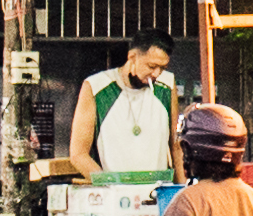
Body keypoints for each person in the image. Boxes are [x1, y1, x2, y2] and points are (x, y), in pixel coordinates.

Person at [74, 38, 179, 181]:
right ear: (132, 57)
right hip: (113, 193)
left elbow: (176, 146)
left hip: (158, 191)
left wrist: (182, 189)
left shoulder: (166, 84)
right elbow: (78, 154)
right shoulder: (96, 86)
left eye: (162, 68)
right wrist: (109, 186)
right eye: (151, 66)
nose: (156, 74)